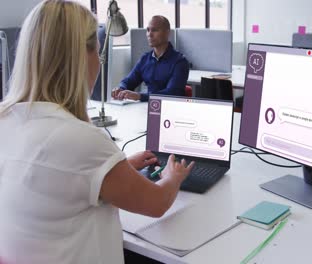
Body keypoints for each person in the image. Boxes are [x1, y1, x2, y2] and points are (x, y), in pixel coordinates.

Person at [0, 1, 194, 264]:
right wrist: (173, 176)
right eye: (97, 53)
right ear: (82, 57)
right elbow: (157, 203)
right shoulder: (80, 140)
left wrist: (116, 167)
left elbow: (56, 177)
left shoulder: (6, 118)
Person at [112, 15, 189, 102]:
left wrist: (140, 96)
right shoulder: (145, 59)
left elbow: (172, 93)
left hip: (170, 110)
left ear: (167, 33)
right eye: (148, 30)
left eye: (155, 30)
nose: (150, 34)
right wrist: (121, 88)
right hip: (147, 107)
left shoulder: (180, 61)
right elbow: (129, 80)